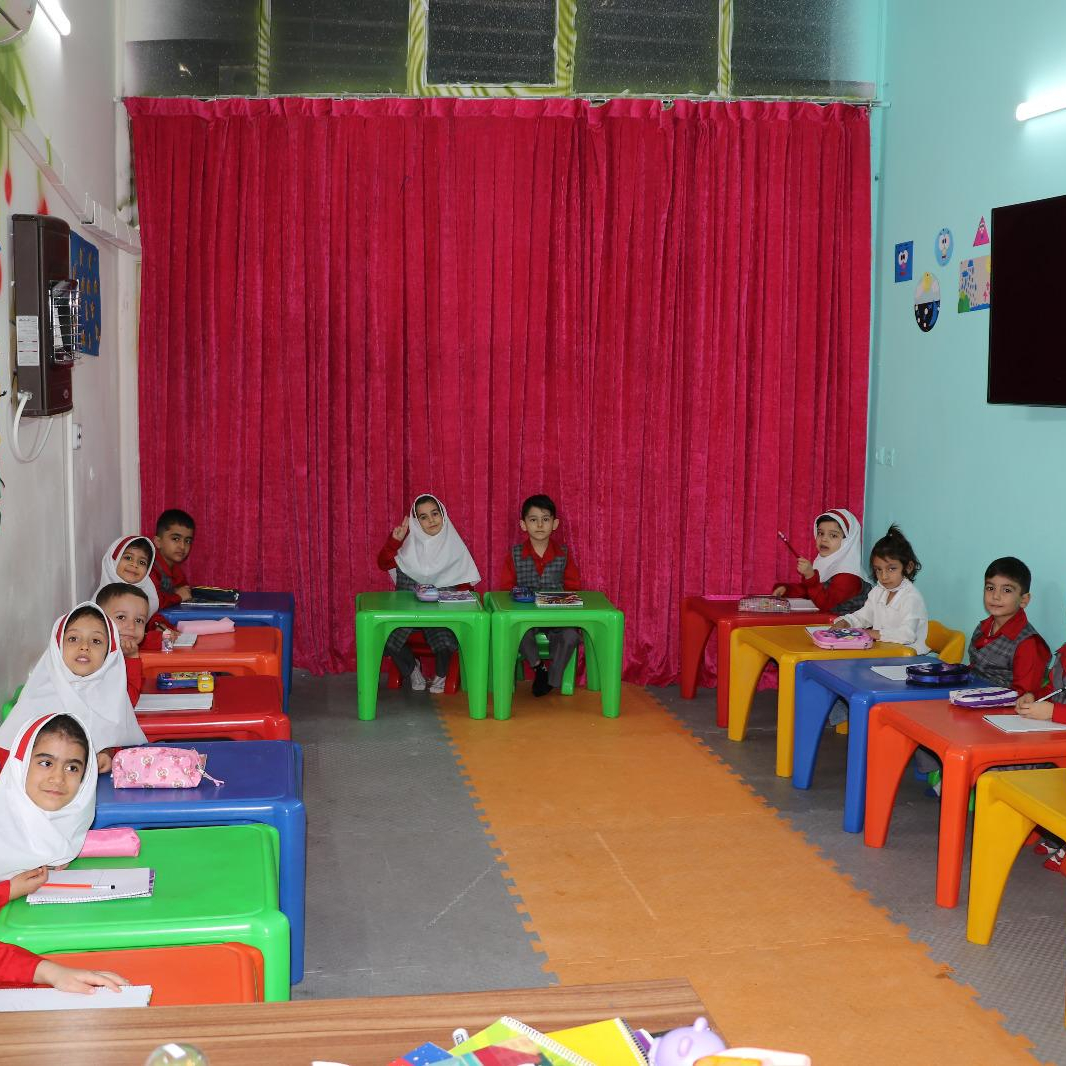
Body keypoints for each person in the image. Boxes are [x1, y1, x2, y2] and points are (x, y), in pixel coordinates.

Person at [0, 713, 127, 993]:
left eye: (72, 768)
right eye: (45, 763)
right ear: (21, 764)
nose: (57, 778)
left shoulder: (62, 821)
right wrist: (7, 890)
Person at [0, 604, 147, 774]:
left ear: (109, 653)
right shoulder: (36, 698)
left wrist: (106, 753)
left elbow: (115, 736)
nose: (84, 646)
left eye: (96, 641)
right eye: (73, 639)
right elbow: (7, 756)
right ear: (57, 646)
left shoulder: (111, 695)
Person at [378, 494, 480, 694]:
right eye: (423, 517)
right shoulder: (407, 546)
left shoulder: (455, 548)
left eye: (435, 514)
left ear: (443, 515)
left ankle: (441, 674)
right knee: (384, 636)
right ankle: (411, 668)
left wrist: (462, 610)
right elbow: (383, 563)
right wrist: (395, 541)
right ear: (416, 522)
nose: (431, 520)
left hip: (440, 617)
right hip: (408, 614)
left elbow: (465, 587)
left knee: (446, 641)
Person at [498, 494, 582, 697]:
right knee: (517, 632)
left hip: (557, 616)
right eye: (533, 519)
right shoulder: (515, 554)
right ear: (523, 524)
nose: (540, 525)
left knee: (571, 635)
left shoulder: (563, 554)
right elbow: (505, 589)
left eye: (545, 519)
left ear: (555, 524)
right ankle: (538, 668)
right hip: (526, 617)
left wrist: (564, 604)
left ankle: (552, 678)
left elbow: (574, 587)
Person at [831, 525, 929, 653]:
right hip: (886, 652)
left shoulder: (911, 597)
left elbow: (907, 635)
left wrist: (870, 633)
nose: (884, 576)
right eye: (878, 569)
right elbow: (864, 616)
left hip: (911, 657)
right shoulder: (878, 591)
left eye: (891, 569)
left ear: (908, 567)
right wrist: (846, 622)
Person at [969, 558, 1050, 695]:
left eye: (1006, 590)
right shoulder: (982, 627)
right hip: (970, 695)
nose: (996, 596)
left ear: (1024, 600)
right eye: (990, 588)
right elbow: (975, 669)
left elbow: (1024, 697)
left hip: (1003, 705)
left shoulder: (1028, 644)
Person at [772, 508, 867, 612]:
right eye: (821, 533)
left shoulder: (849, 576)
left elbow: (826, 604)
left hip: (844, 622)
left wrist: (810, 576)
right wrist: (787, 590)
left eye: (833, 535)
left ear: (848, 541)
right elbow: (809, 591)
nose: (824, 539)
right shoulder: (825, 563)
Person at [95, 535, 172, 641]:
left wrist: (158, 626)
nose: (134, 565)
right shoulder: (101, 601)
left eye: (142, 562)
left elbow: (150, 617)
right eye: (128, 558)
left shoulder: (147, 590)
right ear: (113, 560)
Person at [96, 582, 152, 706]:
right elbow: (128, 701)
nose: (131, 626)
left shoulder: (116, 650)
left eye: (139, 620)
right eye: (121, 617)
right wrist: (132, 658)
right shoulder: (97, 658)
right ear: (100, 619)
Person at [151, 509, 195, 609]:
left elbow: (185, 592)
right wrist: (178, 597)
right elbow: (151, 603)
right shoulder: (150, 569)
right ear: (158, 542)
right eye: (175, 539)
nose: (182, 546)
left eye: (187, 541)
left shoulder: (177, 572)